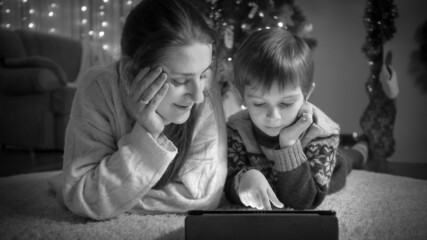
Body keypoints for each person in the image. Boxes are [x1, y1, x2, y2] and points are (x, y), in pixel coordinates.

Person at [49, 0, 227, 220]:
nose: (198, 95)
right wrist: (148, 133)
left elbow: (204, 198)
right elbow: (82, 197)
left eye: (203, 74)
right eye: (180, 81)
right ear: (131, 70)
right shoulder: (98, 87)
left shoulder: (206, 92)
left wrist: (106, 196)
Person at [224, 28, 368, 210]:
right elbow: (227, 182)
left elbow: (303, 201)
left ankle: (359, 152)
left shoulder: (322, 135)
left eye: (286, 103)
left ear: (307, 94)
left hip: (326, 166)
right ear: (242, 97)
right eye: (259, 104)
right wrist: (243, 179)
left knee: (346, 161)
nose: (273, 117)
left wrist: (289, 144)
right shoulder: (237, 129)